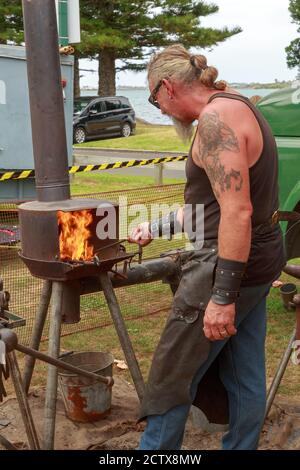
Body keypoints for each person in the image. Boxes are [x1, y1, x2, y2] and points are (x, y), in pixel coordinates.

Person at [128, 44, 285, 450]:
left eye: (154, 99)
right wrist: (155, 225)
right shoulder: (238, 106)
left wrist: (222, 296)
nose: (158, 109)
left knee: (173, 376)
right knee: (244, 373)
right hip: (261, 259)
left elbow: (236, 213)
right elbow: (211, 207)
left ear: (167, 87)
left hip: (226, 268)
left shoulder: (214, 123)